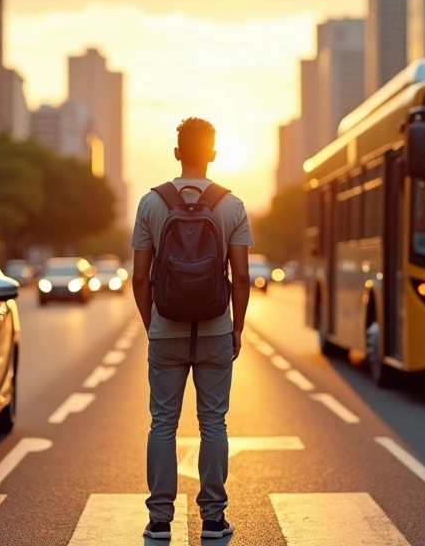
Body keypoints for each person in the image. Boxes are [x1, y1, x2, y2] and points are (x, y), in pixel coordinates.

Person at [131, 117, 252, 541]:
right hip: (217, 328)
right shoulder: (231, 205)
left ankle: (159, 520)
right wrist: (236, 328)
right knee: (213, 423)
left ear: (177, 152)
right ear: (213, 154)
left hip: (166, 329)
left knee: (162, 423)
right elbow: (241, 275)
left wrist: (153, 326)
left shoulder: (151, 204)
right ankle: (214, 520)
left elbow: (139, 278)